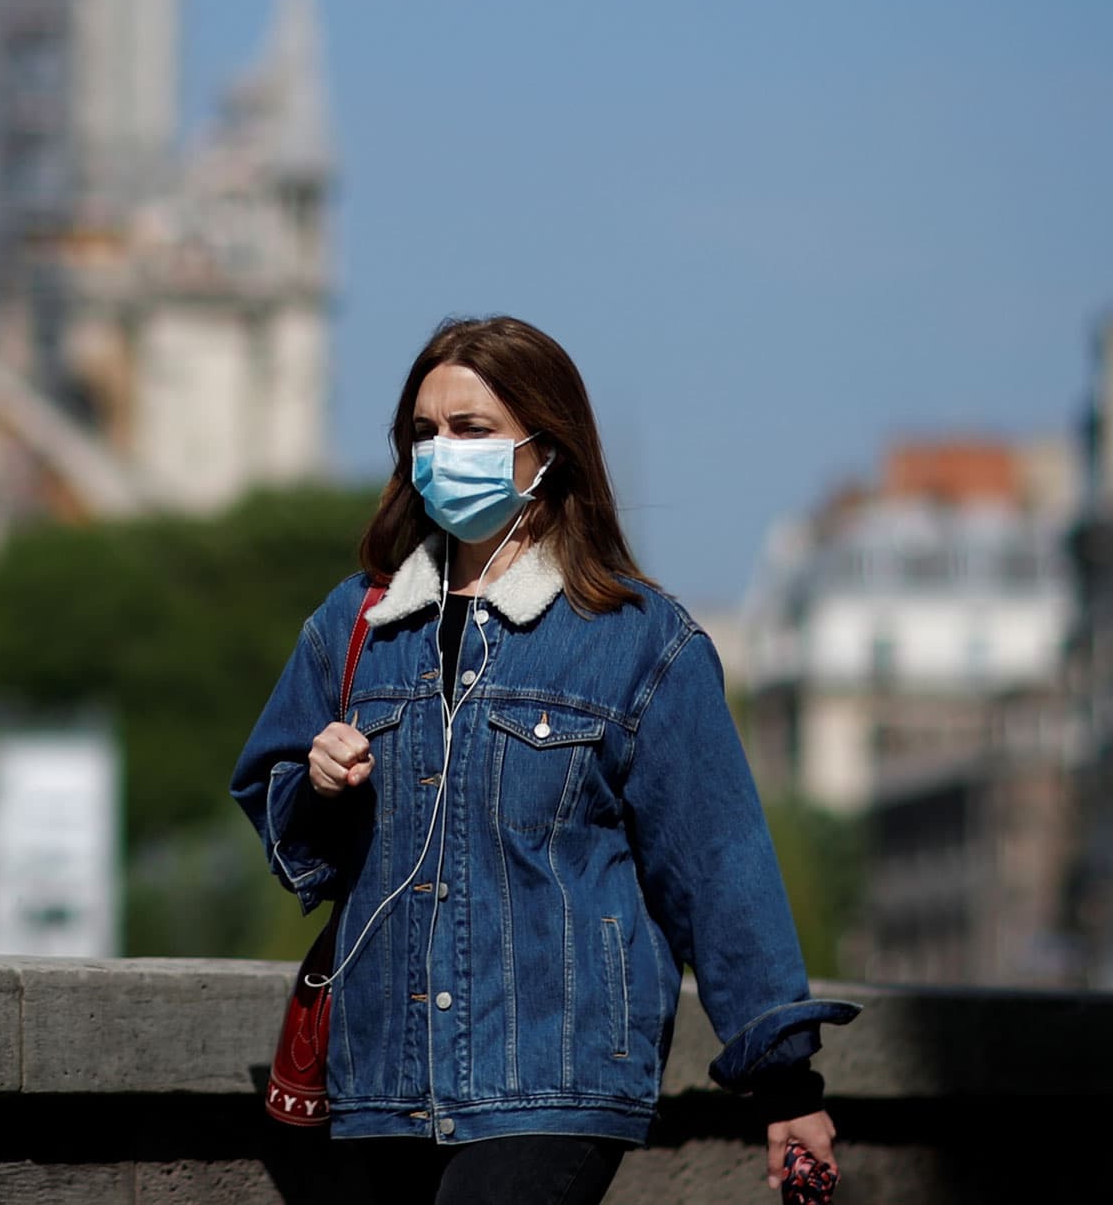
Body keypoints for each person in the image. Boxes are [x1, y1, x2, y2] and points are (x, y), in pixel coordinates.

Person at [228, 316, 858, 1204]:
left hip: (554, 1076)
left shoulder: (642, 641)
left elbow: (718, 867)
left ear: (547, 449)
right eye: (423, 432)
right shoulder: (356, 625)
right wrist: (321, 784)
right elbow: (280, 809)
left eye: (471, 430)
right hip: (383, 1081)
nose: (441, 451)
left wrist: (787, 1084)